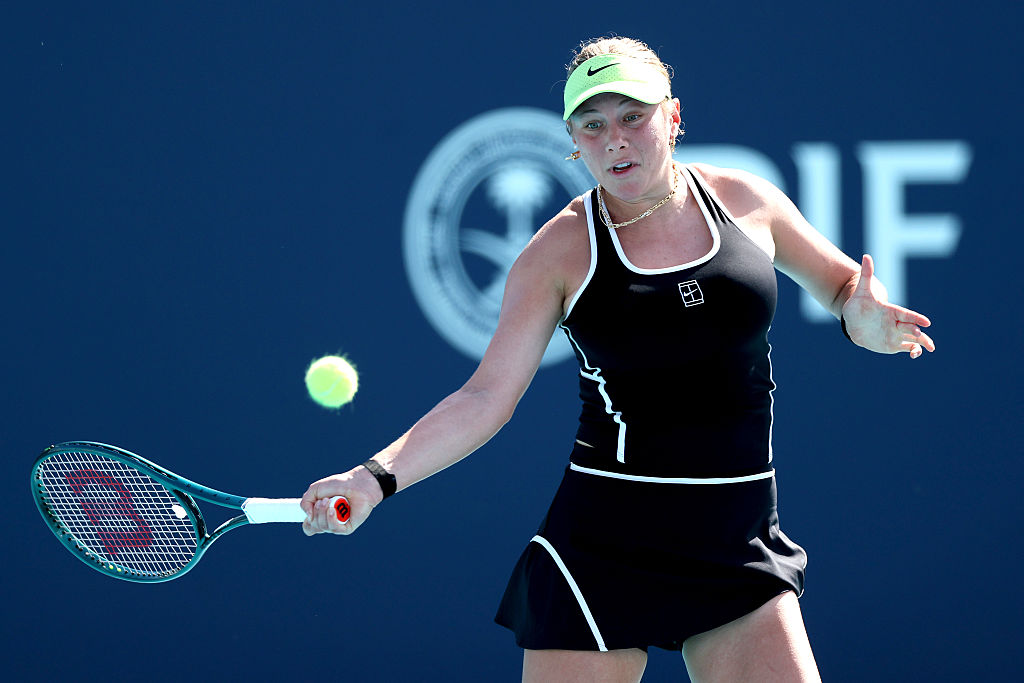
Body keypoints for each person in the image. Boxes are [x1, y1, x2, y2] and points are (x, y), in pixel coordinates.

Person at [301, 36, 935, 683]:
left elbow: (840, 285)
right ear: (574, 140)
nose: (616, 141)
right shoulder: (558, 253)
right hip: (603, 550)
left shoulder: (749, 203)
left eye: (633, 116)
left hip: (737, 543)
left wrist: (863, 313)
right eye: (594, 125)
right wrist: (373, 478)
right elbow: (484, 397)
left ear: (674, 116)